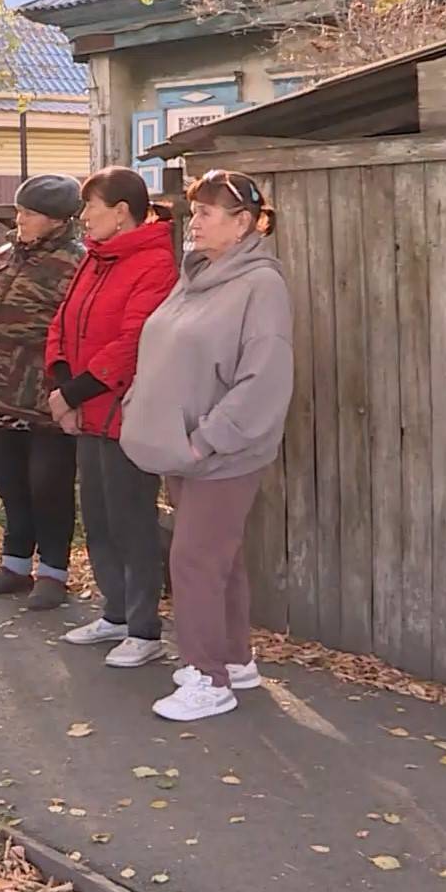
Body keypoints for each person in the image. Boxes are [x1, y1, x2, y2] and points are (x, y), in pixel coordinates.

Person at [121, 170, 291, 722]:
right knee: (223, 558)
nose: (193, 222)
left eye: (207, 213)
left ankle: (206, 678)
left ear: (244, 224)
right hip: (182, 448)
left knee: (193, 559)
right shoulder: (197, 275)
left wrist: (204, 441)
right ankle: (235, 661)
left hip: (222, 453)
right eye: (194, 211)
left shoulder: (261, 285)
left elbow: (263, 379)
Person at [43, 166, 178, 669]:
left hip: (125, 416)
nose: (83, 218)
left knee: (132, 521)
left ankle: (145, 628)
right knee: (98, 518)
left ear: (121, 211)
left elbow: (133, 343)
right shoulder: (95, 261)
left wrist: (73, 394)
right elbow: (62, 322)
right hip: (86, 413)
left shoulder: (154, 263)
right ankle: (116, 612)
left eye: (90, 208)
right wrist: (62, 387)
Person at [0, 174, 87, 611]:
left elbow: (79, 333)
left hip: (47, 399)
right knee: (10, 482)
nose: (19, 219)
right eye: (19, 210)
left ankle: (53, 573)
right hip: (0, 391)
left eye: (28, 213)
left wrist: (67, 390)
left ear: (56, 219)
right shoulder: (5, 256)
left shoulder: (76, 263)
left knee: (49, 484)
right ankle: (15, 564)